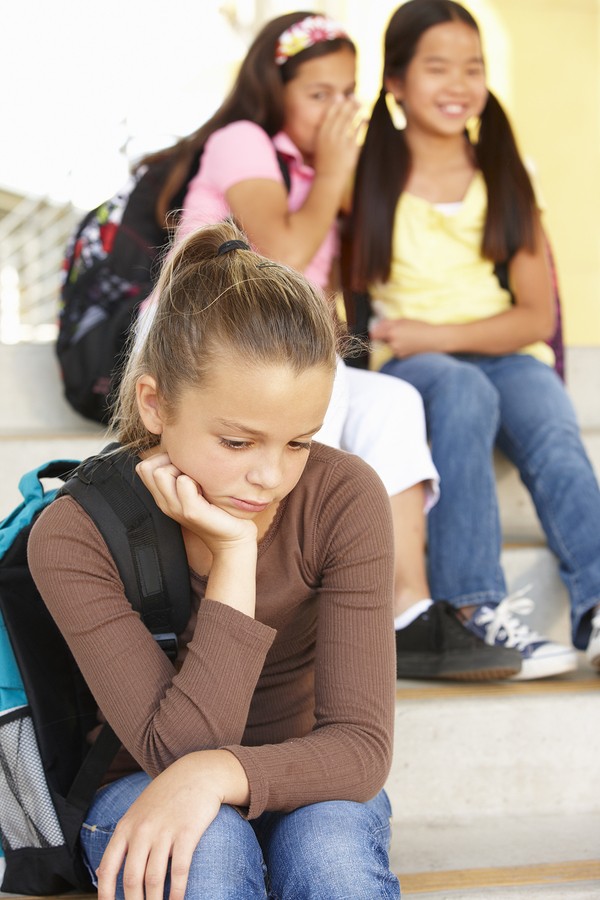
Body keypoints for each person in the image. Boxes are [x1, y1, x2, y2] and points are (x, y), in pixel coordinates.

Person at [134, 10, 520, 682]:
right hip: (198, 339)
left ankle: (403, 607)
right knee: (324, 385)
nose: (337, 110)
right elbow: (280, 254)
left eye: (347, 93)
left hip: (282, 356)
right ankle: (292, 586)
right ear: (275, 91)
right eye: (318, 95)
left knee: (392, 398)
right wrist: (340, 171)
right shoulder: (243, 141)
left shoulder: (326, 173)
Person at [28, 221, 401, 899]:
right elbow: (172, 755)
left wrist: (215, 775)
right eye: (237, 442)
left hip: (309, 779)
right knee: (208, 849)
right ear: (156, 404)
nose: (271, 477)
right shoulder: (76, 533)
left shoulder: (344, 496)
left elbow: (361, 748)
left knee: (333, 859)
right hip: (138, 782)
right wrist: (236, 556)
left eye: (298, 442)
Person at [349, 0, 600, 680]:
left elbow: (532, 314)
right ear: (396, 80)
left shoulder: (505, 175)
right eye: (437, 68)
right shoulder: (366, 173)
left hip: (502, 350)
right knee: (461, 389)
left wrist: (441, 330)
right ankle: (469, 610)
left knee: (549, 424)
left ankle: (598, 604)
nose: (458, 84)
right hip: (417, 364)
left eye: (473, 67)